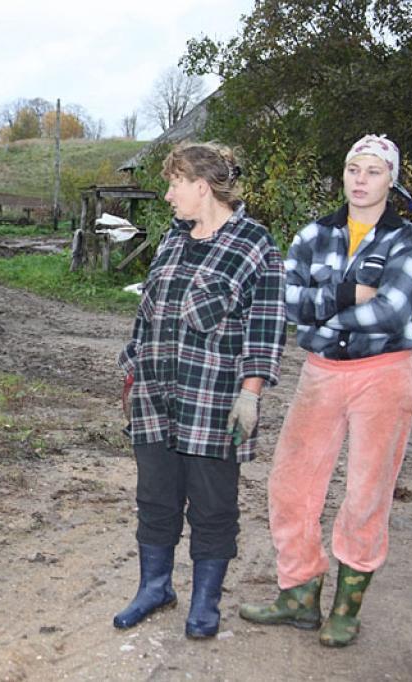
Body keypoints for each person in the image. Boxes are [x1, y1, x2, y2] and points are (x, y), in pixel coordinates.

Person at [239, 134, 412, 647]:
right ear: (342, 175)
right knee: (290, 484)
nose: (360, 180)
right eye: (352, 169)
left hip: (384, 374)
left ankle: (346, 608)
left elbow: (391, 311)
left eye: (372, 171)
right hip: (320, 372)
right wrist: (347, 293)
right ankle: (299, 595)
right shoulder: (313, 235)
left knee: (367, 491)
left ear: (392, 180)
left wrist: (319, 303)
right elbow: (283, 299)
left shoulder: (406, 240)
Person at [115, 142, 287, 639]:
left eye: (175, 183)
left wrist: (250, 394)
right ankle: (155, 587)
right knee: (156, 499)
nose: (168, 194)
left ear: (202, 186)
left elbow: (266, 327)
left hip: (214, 401)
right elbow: (145, 315)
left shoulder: (254, 245)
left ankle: (206, 602)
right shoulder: (172, 241)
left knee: (213, 507)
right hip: (155, 397)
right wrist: (132, 368)